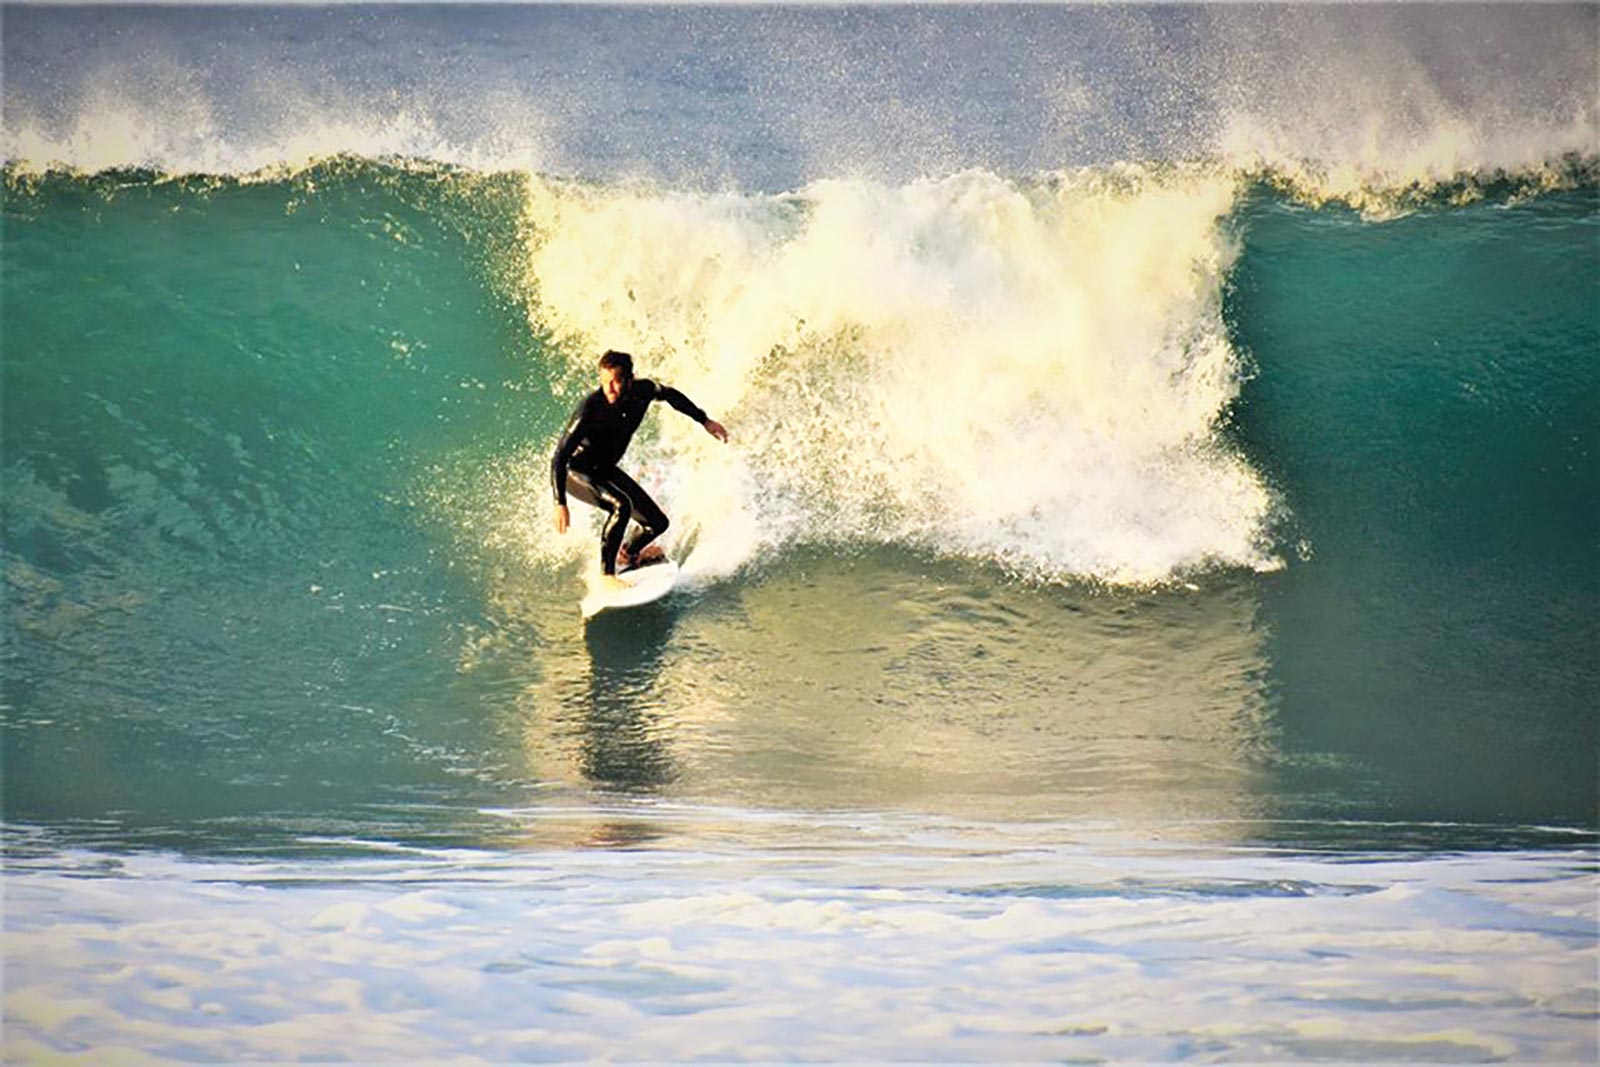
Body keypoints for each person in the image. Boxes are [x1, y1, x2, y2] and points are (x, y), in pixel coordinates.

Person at [552, 350, 729, 590]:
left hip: (604, 469)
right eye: (605, 382)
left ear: (629, 379)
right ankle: (607, 576)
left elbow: (670, 395)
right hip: (576, 472)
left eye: (615, 381)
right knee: (621, 505)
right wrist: (559, 502)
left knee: (657, 524)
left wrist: (704, 420)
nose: (610, 389)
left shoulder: (643, 390)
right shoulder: (590, 408)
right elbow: (560, 457)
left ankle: (628, 553)